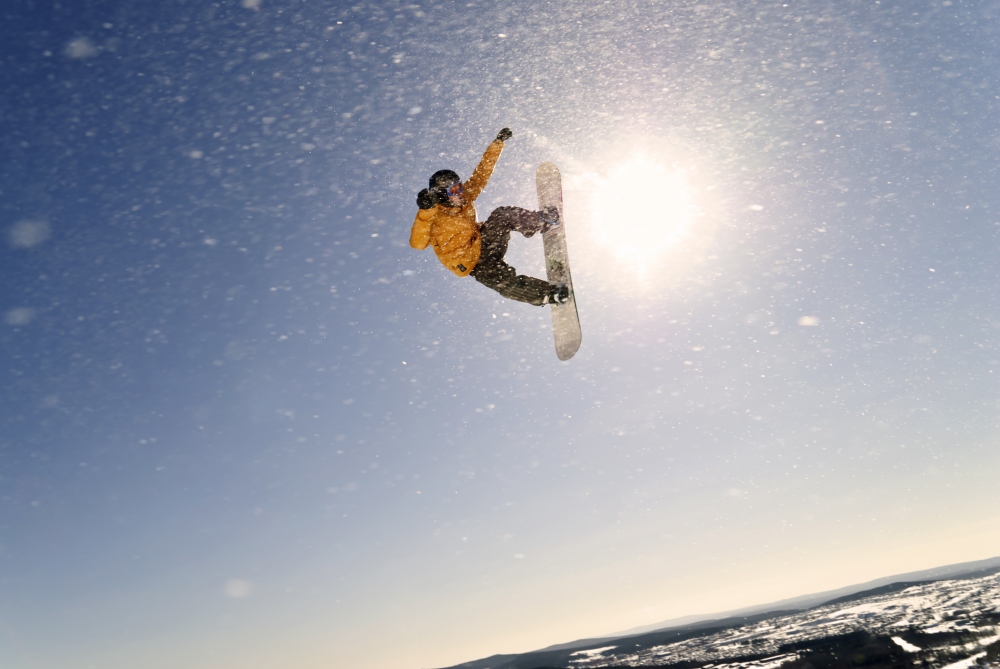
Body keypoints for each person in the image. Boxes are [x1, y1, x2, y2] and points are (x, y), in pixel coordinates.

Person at [409, 128, 570, 307]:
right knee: (502, 282)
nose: (461, 192)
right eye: (454, 190)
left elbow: (481, 175)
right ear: (441, 195)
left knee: (501, 214)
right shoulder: (434, 217)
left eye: (459, 186)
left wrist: (497, 143)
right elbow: (418, 243)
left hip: (485, 241)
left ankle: (542, 221)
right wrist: (425, 211)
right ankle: (550, 294)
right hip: (473, 264)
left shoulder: (465, 198)